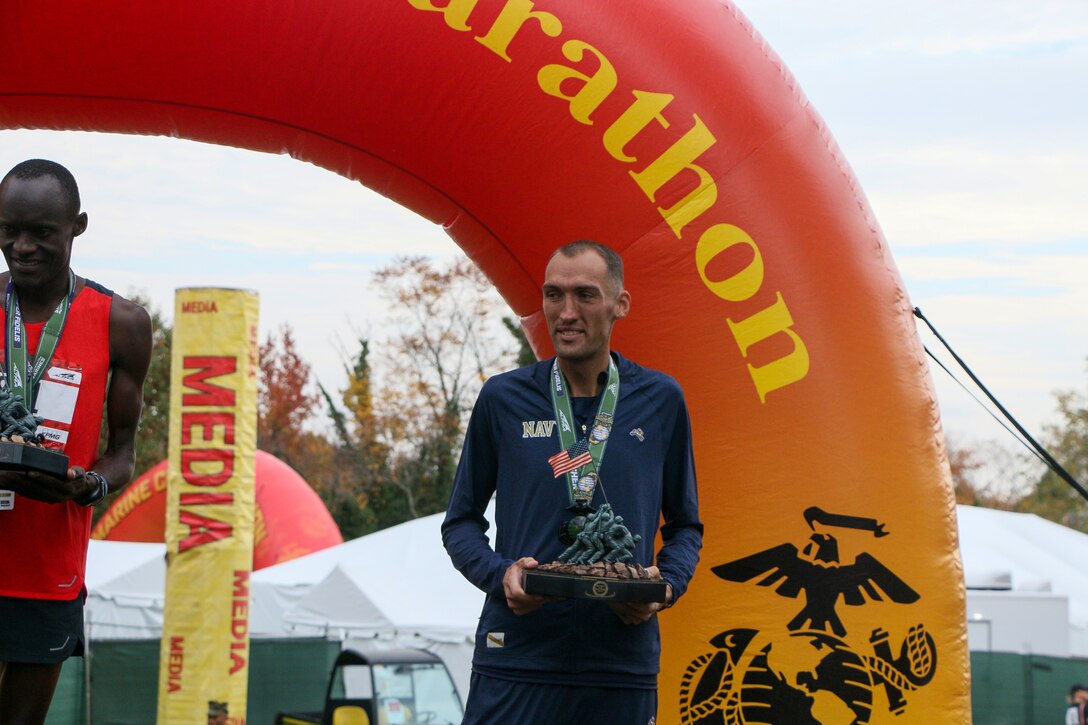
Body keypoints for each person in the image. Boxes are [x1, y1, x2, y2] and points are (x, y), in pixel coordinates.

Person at [442, 240, 702, 724]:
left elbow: (686, 526)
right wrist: (500, 576)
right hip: (518, 656)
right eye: (553, 295)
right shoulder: (503, 398)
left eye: (584, 295)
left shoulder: (660, 400)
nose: (565, 312)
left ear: (619, 304)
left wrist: (663, 586)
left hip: (620, 661)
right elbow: (459, 522)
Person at [0, 159, 152, 723]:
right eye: (8, 231)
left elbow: (123, 454)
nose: (22, 247)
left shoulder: (122, 323)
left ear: (77, 227)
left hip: (48, 569)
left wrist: (86, 485)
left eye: (41, 233)